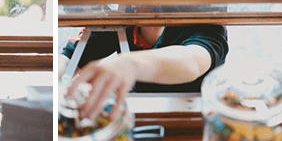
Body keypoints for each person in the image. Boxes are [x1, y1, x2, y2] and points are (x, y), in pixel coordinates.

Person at [58, 24, 229, 121]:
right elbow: (68, 59)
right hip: (135, 120)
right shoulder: (120, 18)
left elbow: (192, 62)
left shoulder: (205, 22)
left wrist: (130, 64)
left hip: (192, 123)